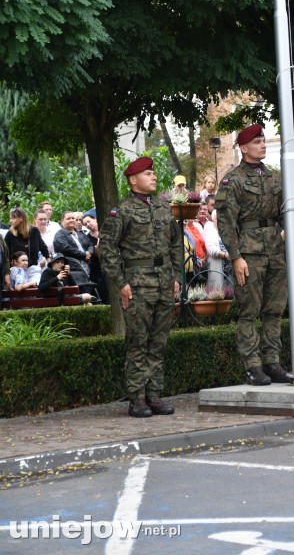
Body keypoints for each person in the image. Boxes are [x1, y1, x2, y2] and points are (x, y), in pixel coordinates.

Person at [99, 156, 182, 418]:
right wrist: (121, 282)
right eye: (148, 174)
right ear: (133, 180)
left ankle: (154, 395)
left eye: (153, 173)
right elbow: (107, 248)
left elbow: (176, 244)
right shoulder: (122, 211)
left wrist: (177, 275)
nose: (154, 177)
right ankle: (137, 399)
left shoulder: (163, 207)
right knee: (138, 342)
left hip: (164, 283)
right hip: (137, 285)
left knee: (158, 342)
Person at [215, 124, 289, 386]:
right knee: (249, 311)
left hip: (275, 250)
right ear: (243, 148)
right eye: (257, 142)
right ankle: (253, 366)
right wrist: (236, 257)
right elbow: (225, 222)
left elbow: (283, 213)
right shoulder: (232, 179)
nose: (263, 144)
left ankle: (272, 362)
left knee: (275, 309)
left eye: (264, 140)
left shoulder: (274, 177)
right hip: (249, 253)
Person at [5, 207, 49, 280]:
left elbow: (44, 249)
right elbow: (5, 255)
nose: (10, 221)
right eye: (10, 218)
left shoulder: (34, 231)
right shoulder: (10, 234)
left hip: (33, 269)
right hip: (17, 270)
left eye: (13, 218)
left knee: (37, 286)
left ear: (21, 218)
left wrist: (50, 264)